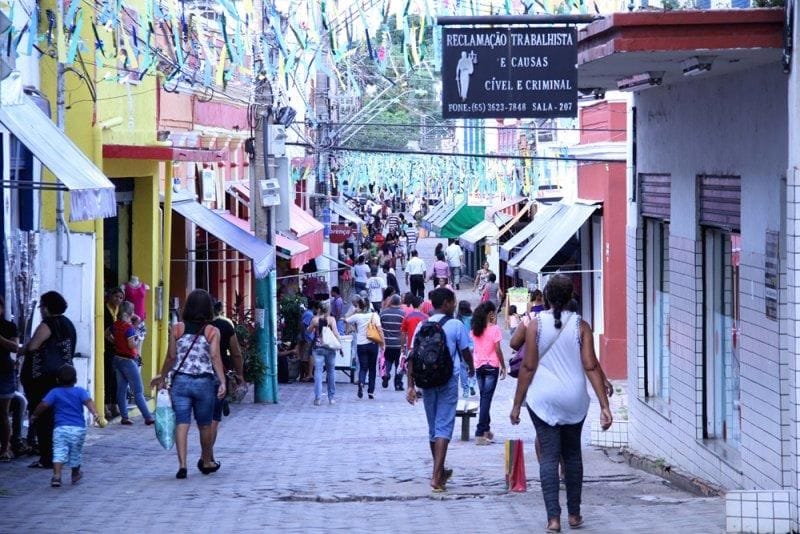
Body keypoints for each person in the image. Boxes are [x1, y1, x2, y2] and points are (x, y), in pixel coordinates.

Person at [510, 275, 613, 532]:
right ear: (571, 298)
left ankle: (553, 519)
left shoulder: (535, 325)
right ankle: (575, 515)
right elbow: (590, 365)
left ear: (545, 297)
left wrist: (516, 404)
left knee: (548, 457)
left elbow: (528, 366)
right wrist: (604, 405)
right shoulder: (581, 326)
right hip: (574, 400)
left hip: (542, 400)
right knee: (573, 456)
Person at [151, 289, 226, 479]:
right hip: (204, 382)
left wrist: (162, 375)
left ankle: (182, 465)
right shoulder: (212, 331)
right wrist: (223, 381)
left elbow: (171, 356)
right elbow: (215, 356)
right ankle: (207, 461)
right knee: (205, 425)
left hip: (180, 382)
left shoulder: (176, 328)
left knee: (182, 423)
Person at [406, 287, 474, 492]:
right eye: (452, 301)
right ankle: (436, 476)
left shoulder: (421, 326)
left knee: (433, 426)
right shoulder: (455, 325)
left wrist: (410, 385)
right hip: (448, 380)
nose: (454, 305)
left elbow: (412, 357)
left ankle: (440, 470)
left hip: (426, 382)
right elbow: (465, 352)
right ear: (446, 303)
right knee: (444, 425)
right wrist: (471, 368)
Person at [19, 291, 76, 469]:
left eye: (42, 306)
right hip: (62, 376)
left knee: (43, 417)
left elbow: (34, 345)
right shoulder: (68, 324)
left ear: (48, 307)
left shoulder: (48, 324)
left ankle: (47, 457)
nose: (41, 310)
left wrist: (24, 347)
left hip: (43, 379)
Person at [30, 364, 100, 487]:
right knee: (75, 451)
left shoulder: (55, 392)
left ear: (57, 380)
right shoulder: (80, 391)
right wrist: (95, 414)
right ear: (76, 380)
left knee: (58, 451)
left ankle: (57, 476)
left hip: (60, 428)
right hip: (78, 429)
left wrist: (34, 415)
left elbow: (44, 405)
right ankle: (75, 474)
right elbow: (88, 402)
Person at [112, 301, 154, 426]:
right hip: (129, 360)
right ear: (129, 313)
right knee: (138, 391)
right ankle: (147, 417)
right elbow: (131, 344)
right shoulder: (128, 327)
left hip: (118, 357)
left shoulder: (116, 325)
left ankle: (124, 417)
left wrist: (116, 342)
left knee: (121, 389)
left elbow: (107, 334)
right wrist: (137, 340)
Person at [470, 302, 506, 445]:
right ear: (491, 313)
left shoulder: (475, 329)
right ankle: (480, 432)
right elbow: (497, 349)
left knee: (484, 398)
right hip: (492, 366)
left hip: (479, 366)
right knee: (486, 399)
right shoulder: (495, 329)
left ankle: (486, 429)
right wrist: (503, 365)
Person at [211, 300, 244, 430]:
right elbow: (236, 353)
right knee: (214, 416)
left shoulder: (191, 325)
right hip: (219, 371)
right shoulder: (225, 325)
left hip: (195, 372)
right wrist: (240, 375)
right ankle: (207, 450)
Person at [345, 297, 384, 399]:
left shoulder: (357, 316)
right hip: (372, 344)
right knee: (372, 369)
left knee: (363, 367)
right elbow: (379, 330)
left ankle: (361, 382)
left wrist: (353, 311)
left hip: (361, 345)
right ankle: (371, 391)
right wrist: (383, 343)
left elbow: (345, 319)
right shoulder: (374, 315)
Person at [307, 302, 341, 406]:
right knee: (331, 372)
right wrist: (340, 345)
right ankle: (331, 398)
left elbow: (308, 331)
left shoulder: (315, 320)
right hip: (330, 348)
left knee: (318, 372)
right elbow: (335, 333)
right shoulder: (331, 320)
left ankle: (318, 398)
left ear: (319, 309)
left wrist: (312, 327)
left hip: (318, 348)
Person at [0, 296, 19, 461]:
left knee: (3, 413)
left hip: (4, 372)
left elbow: (15, 347)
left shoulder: (9, 326)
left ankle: (5, 447)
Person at [103, 288, 124, 419]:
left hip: (118, 349)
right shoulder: (105, 310)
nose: (118, 300)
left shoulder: (120, 311)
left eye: (121, 298)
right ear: (110, 296)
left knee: (116, 377)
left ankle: (114, 403)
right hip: (107, 347)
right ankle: (105, 404)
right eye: (116, 296)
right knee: (108, 375)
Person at [380, 295, 406, 391]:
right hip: (399, 344)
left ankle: (386, 374)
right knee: (399, 364)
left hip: (387, 343)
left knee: (387, 361)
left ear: (390, 302)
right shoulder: (403, 314)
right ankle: (398, 384)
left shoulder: (383, 313)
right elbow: (405, 329)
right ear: (399, 302)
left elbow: (380, 326)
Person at [456, 301, 476, 399]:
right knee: (473, 365)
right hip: (473, 345)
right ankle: (472, 382)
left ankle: (465, 389)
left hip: (462, 346)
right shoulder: (473, 318)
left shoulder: (458, 319)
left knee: (463, 367)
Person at [299, 301, 319, 382]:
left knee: (306, 357)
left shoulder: (308, 313)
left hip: (309, 337)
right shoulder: (309, 314)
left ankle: (307, 374)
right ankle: (308, 374)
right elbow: (303, 325)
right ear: (314, 308)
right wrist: (304, 336)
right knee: (306, 357)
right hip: (308, 338)